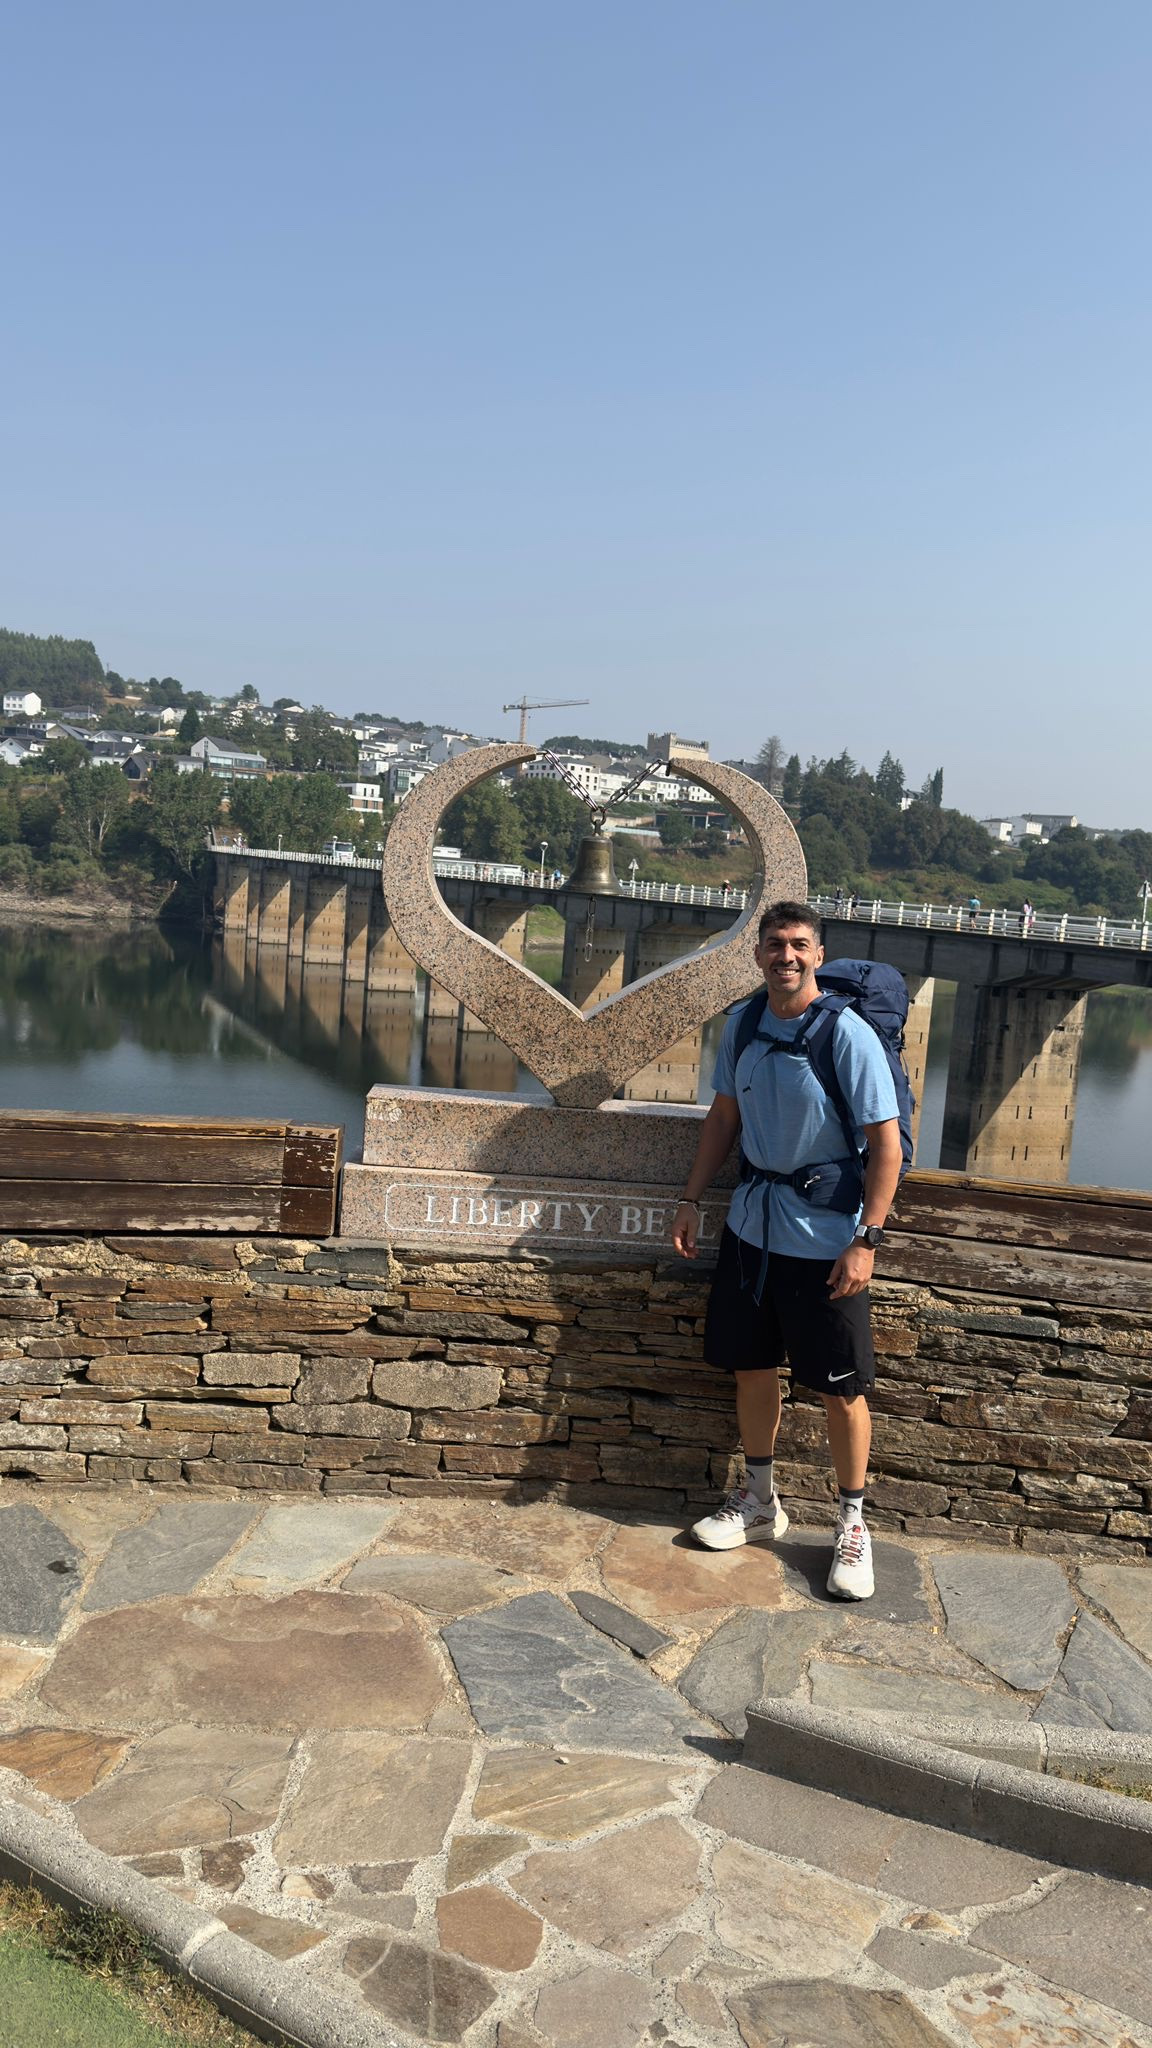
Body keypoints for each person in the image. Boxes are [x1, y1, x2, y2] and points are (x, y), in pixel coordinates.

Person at [671, 900, 903, 1600]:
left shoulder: (846, 1034)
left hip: (827, 1241)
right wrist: (691, 1198)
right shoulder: (743, 1024)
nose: (787, 956)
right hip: (752, 1229)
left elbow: (886, 1146)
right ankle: (760, 1500)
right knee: (751, 1368)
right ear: (758, 955)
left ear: (818, 954)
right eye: (775, 944)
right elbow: (723, 1118)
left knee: (841, 1389)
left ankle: (852, 1524)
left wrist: (866, 1240)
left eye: (800, 944)